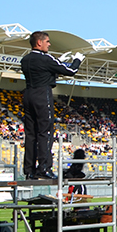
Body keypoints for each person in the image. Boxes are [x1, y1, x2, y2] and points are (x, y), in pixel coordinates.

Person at [20, 31, 84, 180]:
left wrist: (57, 61)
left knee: (30, 134)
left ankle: (29, 171)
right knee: (45, 132)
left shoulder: (25, 60)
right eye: (47, 41)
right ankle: (44, 168)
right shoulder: (46, 58)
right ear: (39, 42)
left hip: (28, 95)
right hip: (42, 95)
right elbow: (71, 71)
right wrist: (77, 60)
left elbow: (44, 73)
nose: (49, 44)